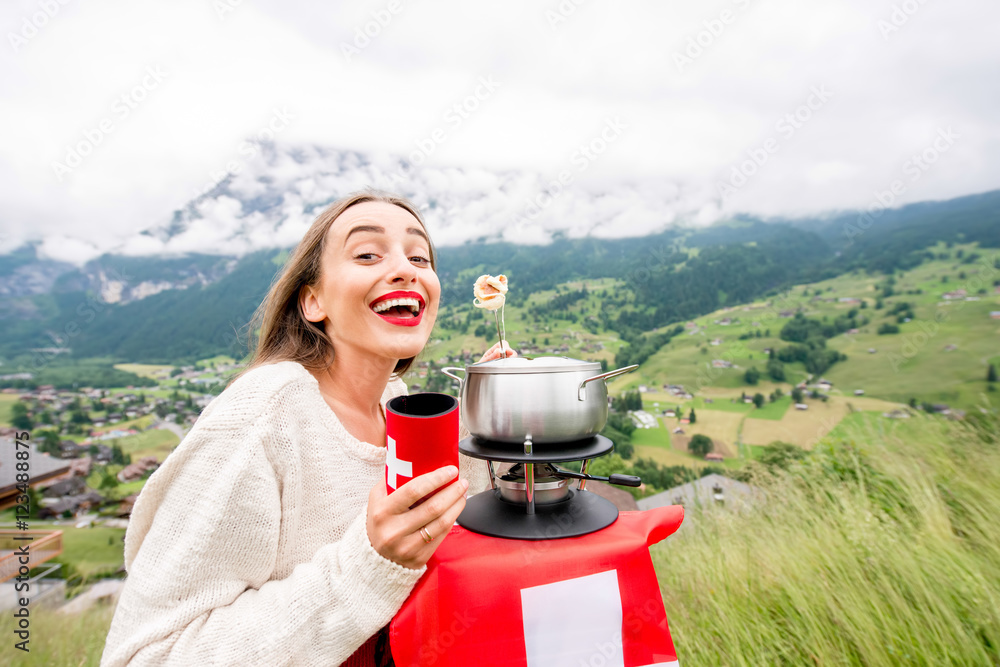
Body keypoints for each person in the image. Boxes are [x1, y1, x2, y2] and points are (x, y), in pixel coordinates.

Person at [101, 189, 516, 666]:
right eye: (366, 254)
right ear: (313, 300)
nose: (407, 269)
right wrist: (370, 565)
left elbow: (442, 518)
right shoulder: (260, 421)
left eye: (419, 256)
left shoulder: (394, 404)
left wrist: (489, 415)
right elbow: (146, 657)